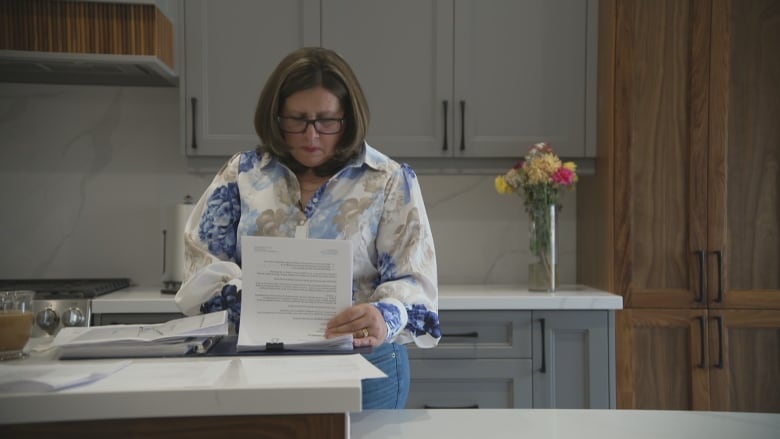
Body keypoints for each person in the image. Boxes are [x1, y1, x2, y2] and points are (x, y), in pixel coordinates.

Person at [174, 47, 440, 409]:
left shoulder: (389, 181)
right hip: (255, 368)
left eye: (327, 121)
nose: (311, 136)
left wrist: (384, 316)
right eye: (296, 120)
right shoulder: (242, 174)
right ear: (275, 115)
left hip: (364, 367)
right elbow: (199, 264)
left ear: (348, 118)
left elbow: (415, 281)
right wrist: (245, 298)